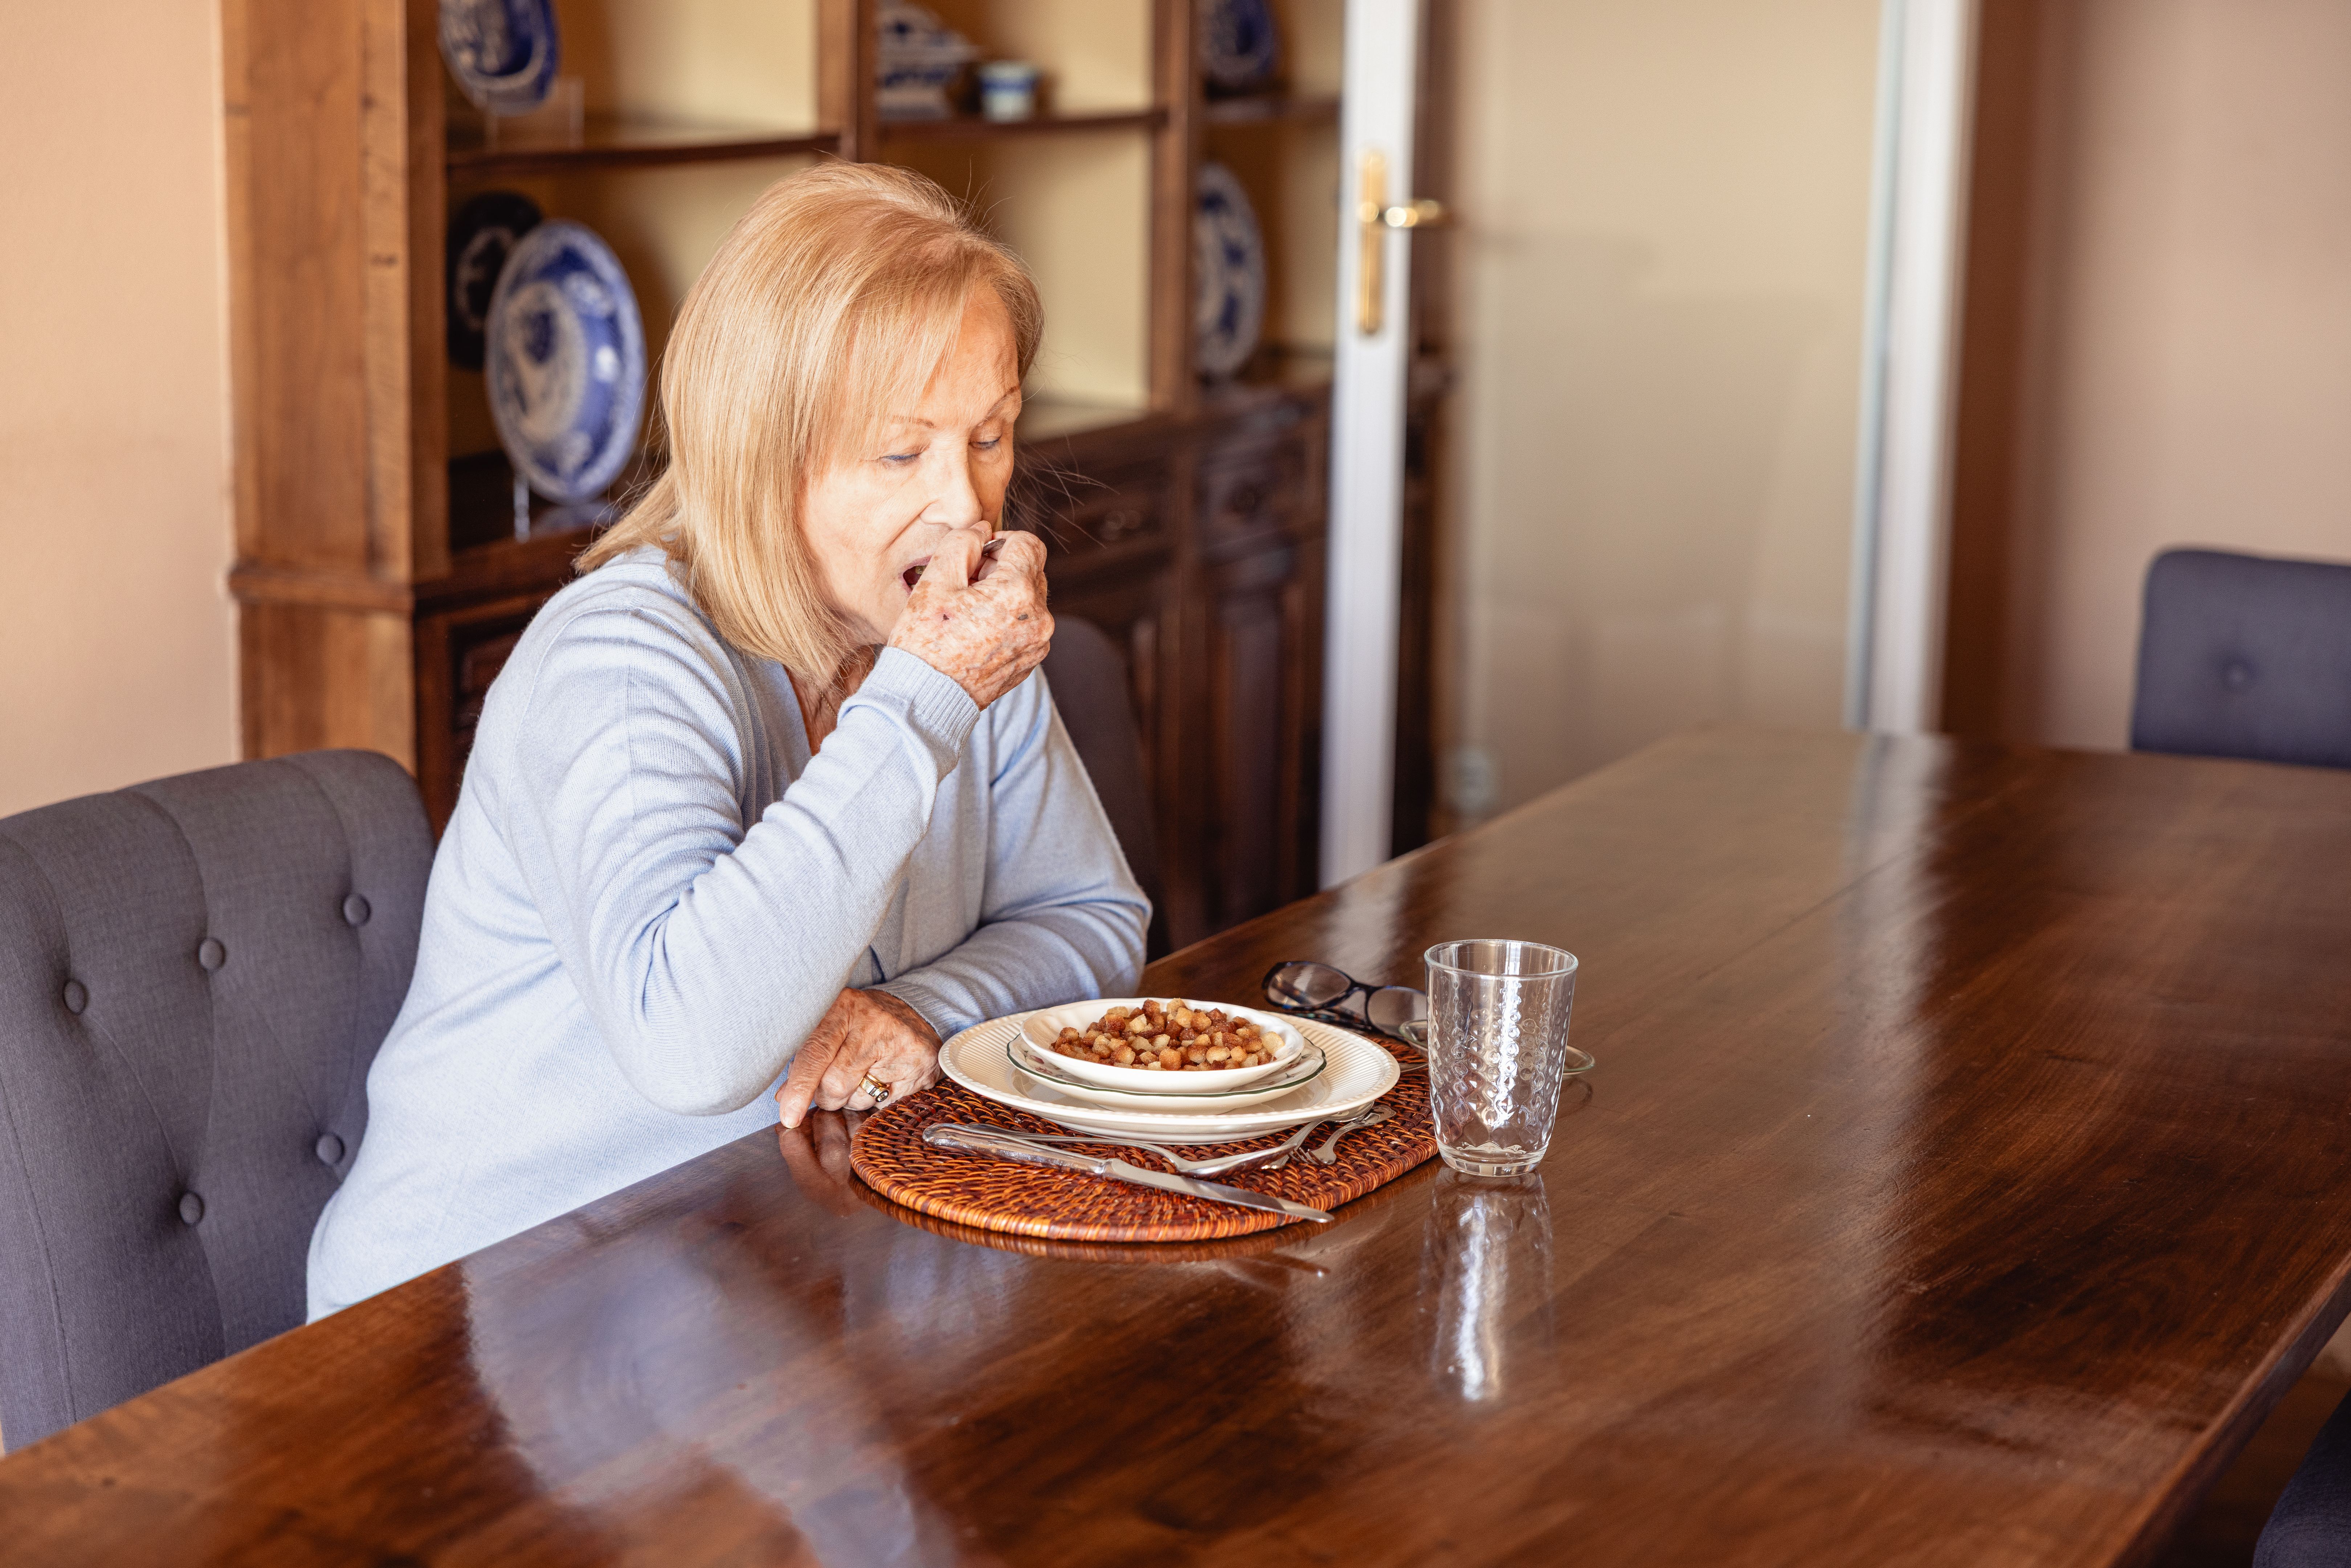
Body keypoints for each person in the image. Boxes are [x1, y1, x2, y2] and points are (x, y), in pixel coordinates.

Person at [307, 164, 1149, 1319]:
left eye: (993, 435)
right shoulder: (618, 660)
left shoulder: (943, 634)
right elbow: (695, 1048)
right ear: (762, 454)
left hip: (740, 1275)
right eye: (901, 454)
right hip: (464, 1320)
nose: (969, 504)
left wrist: (917, 1011)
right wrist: (923, 701)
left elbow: (1096, 921)